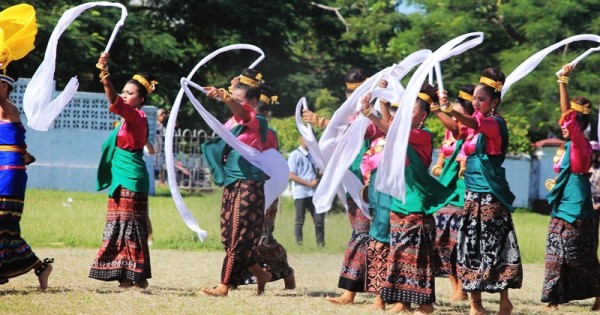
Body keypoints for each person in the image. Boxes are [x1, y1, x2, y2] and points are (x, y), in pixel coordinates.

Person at [365, 83, 454, 314]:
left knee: (417, 257)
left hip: (417, 204)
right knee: (399, 255)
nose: (406, 115)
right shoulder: (401, 133)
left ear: (423, 116)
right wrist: (383, 100)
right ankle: (403, 302)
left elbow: (391, 129)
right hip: (400, 203)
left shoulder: (421, 136)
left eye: (412, 111)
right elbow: (391, 127)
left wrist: (369, 113)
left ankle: (425, 304)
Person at [446, 68, 522, 315]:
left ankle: (504, 302)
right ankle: (475, 305)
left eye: (481, 100)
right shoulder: (475, 126)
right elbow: (459, 129)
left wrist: (450, 109)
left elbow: (470, 121)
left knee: (495, 246)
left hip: (490, 195)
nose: (476, 103)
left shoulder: (494, 123)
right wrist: (441, 109)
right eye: (474, 100)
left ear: (494, 102)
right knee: (470, 247)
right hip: (471, 193)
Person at [201, 68, 273, 296]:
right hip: (232, 181)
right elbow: (233, 120)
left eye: (240, 101)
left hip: (249, 183)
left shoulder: (258, 121)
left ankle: (224, 285)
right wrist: (228, 92)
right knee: (227, 234)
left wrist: (226, 97)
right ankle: (261, 274)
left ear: (253, 101)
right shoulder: (232, 122)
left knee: (238, 235)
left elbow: (243, 114)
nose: (236, 104)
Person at [89, 52, 154, 289]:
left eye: (130, 93)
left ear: (141, 98)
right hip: (121, 177)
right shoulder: (131, 118)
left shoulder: (135, 115)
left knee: (129, 226)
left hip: (131, 178)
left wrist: (105, 75)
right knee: (122, 224)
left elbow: (113, 101)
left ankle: (130, 276)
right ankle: (137, 276)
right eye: (124, 91)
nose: (125, 96)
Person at [542, 64, 600, 311]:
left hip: (577, 204)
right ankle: (553, 299)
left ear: (578, 124)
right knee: (555, 252)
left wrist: (562, 81)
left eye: (569, 122)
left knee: (579, 256)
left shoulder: (580, 144)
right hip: (562, 202)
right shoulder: (568, 146)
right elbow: (566, 116)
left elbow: (567, 116)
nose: (563, 125)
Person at [237, 84, 295, 290]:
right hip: (249, 187)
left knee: (263, 237)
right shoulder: (246, 127)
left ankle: (287, 274)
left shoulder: (267, 132)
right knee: (244, 234)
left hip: (265, 189)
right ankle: (234, 280)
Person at [0, 66, 53, 290]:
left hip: (9, 172)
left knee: (3, 223)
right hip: (7, 169)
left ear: (4, 86)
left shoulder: (6, 108)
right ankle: (39, 266)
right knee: (6, 228)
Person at [430, 85, 475, 302]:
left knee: (460, 241)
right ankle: (454, 283)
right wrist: (443, 169)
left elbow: (460, 130)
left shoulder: (470, 131)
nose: (455, 119)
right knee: (441, 239)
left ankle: (464, 286)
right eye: (453, 115)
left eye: (458, 115)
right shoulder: (449, 133)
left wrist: (438, 109)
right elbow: (437, 165)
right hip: (445, 190)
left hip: (464, 191)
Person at [288, 136, 324, 247]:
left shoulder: (314, 155)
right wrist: (308, 183)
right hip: (301, 193)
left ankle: (321, 244)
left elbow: (317, 172)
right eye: (305, 138)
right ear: (300, 139)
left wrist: (321, 174)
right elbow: (291, 175)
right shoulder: (295, 154)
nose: (308, 141)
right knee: (299, 220)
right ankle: (299, 244)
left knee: (319, 220)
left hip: (314, 193)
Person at [155, 108, 167, 185]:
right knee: (156, 165)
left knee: (162, 166)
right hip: (156, 148)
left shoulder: (164, 126)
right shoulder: (155, 126)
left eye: (164, 114)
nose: (163, 116)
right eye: (161, 114)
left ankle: (161, 181)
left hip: (163, 149)